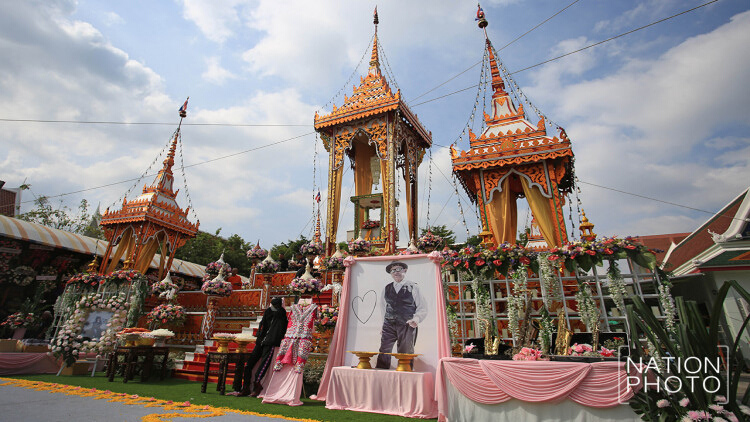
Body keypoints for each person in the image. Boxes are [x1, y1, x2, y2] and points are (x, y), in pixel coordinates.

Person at [376, 260, 427, 369]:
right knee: (384, 350)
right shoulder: (387, 288)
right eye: (393, 270)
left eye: (398, 269)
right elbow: (383, 308)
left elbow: (422, 307)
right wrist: (382, 325)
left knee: (405, 351)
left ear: (405, 270)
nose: (396, 272)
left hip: (406, 325)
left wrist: (416, 319)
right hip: (389, 324)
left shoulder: (413, 287)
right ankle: (381, 374)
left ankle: (406, 376)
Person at [237, 297, 288, 397]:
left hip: (270, 341)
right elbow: (263, 325)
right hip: (262, 340)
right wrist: (260, 337)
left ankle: (257, 385)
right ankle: (246, 387)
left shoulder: (281, 314)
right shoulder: (269, 312)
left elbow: (280, 329)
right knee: (249, 364)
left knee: (263, 364)